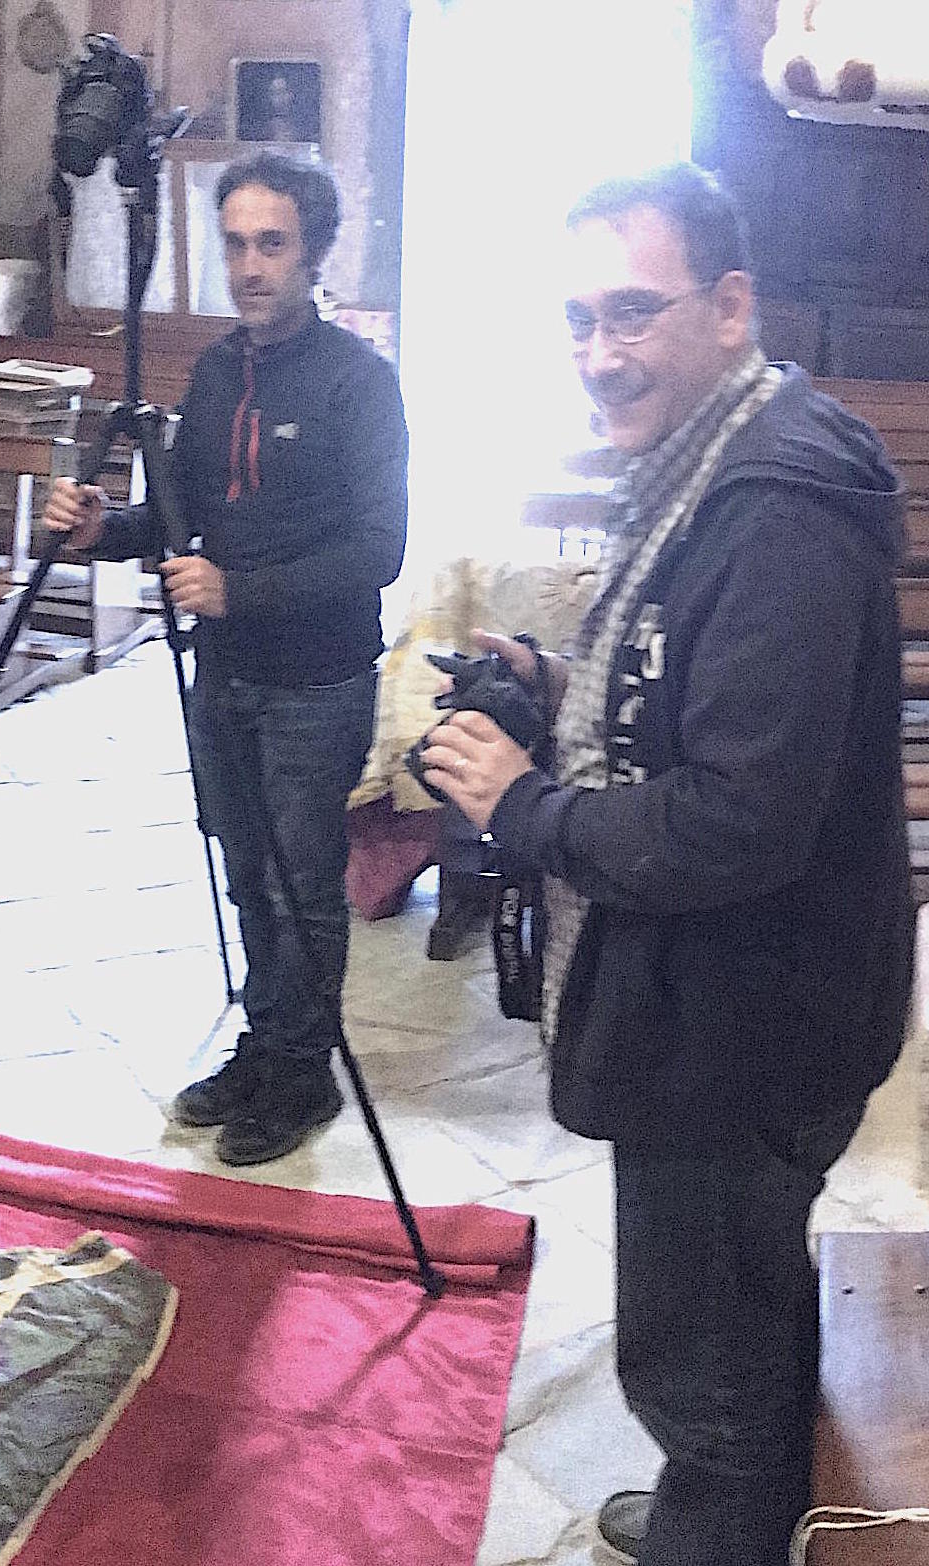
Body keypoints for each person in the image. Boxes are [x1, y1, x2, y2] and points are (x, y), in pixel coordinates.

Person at [420, 164, 910, 1566]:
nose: (599, 352)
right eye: (576, 319)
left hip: (743, 1017)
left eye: (632, 311)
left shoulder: (775, 510)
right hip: (749, 1000)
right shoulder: (730, 455)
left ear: (732, 304)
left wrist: (526, 808)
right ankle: (722, 1494)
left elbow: (738, 819)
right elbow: (697, 694)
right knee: (736, 1300)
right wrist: (564, 681)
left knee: (701, 1346)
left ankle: (725, 1512)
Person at [44, 151, 408, 1166]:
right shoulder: (212, 371)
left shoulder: (358, 385)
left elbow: (378, 550)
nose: (249, 266)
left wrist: (239, 590)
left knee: (302, 883)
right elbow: (179, 519)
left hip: (316, 678)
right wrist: (101, 530)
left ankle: (304, 1077)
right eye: (235, 243)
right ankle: (264, 1044)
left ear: (315, 252)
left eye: (271, 244)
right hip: (223, 671)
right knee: (246, 874)